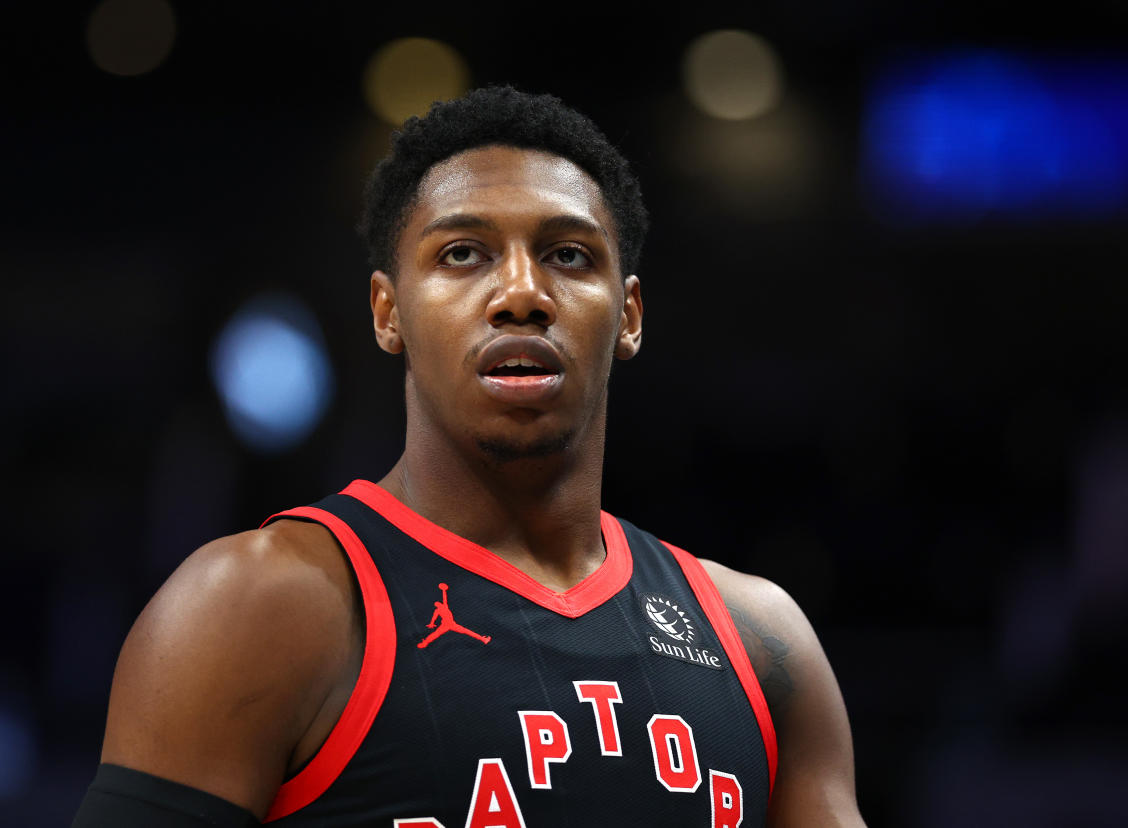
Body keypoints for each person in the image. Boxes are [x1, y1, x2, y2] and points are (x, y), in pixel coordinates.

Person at [73, 86, 866, 827]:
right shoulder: (252, 607)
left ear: (627, 317)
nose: (521, 291)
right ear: (389, 313)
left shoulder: (761, 642)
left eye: (569, 255)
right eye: (462, 254)